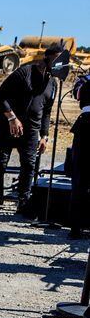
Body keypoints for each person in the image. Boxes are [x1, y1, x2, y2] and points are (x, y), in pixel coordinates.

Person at [0, 44, 63, 216]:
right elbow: (0, 95)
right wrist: (12, 118)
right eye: (57, 59)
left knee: (29, 165)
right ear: (47, 57)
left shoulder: (53, 83)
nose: (60, 63)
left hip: (32, 130)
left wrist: (44, 135)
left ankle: (23, 203)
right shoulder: (24, 72)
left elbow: (47, 111)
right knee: (1, 163)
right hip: (8, 126)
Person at [69, 74, 90, 239]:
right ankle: (76, 227)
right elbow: (78, 92)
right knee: (79, 179)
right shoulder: (84, 79)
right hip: (86, 126)